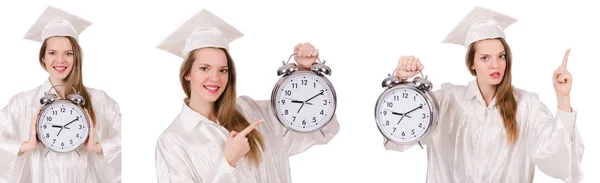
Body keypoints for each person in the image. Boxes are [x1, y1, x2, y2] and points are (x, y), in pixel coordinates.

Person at [386, 6, 584, 183]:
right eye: (485, 58)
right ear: (472, 63)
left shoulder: (526, 105)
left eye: (501, 56)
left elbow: (558, 162)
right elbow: (396, 136)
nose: (495, 65)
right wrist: (402, 83)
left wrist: (563, 97)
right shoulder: (447, 100)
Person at [154, 9, 340, 183]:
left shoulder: (251, 111)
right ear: (187, 73)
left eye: (223, 70)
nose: (215, 78)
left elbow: (318, 130)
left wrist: (304, 74)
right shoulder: (173, 140)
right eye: (204, 68)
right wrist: (227, 163)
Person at [0, 6, 122, 183]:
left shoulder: (99, 100)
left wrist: (99, 147)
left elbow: (130, 136)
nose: (60, 61)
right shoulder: (23, 103)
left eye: (68, 53)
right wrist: (25, 146)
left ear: (76, 57)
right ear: (43, 58)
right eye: (52, 53)